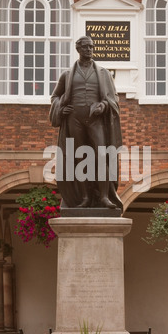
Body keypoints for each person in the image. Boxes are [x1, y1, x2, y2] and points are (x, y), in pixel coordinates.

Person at [49, 36, 123, 210]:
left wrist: (103, 105)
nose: (89, 50)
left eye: (91, 47)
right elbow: (55, 97)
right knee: (80, 158)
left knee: (101, 156)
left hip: (95, 121)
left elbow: (113, 98)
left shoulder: (104, 73)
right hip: (75, 120)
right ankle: (84, 197)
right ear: (78, 49)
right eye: (85, 47)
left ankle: (104, 197)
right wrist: (60, 108)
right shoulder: (67, 75)